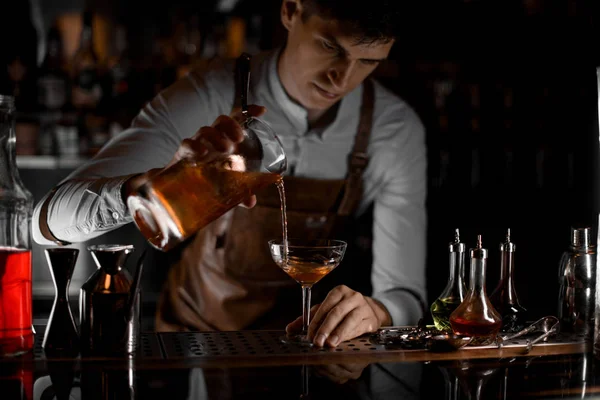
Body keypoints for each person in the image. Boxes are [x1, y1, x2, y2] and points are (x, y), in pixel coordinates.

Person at [32, 0, 428, 348]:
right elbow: (45, 222)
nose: (341, 79)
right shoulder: (208, 95)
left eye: (368, 62)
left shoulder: (393, 129)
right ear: (291, 10)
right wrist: (140, 189)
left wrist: (377, 311)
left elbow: (405, 294)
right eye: (329, 47)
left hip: (312, 348)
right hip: (201, 342)